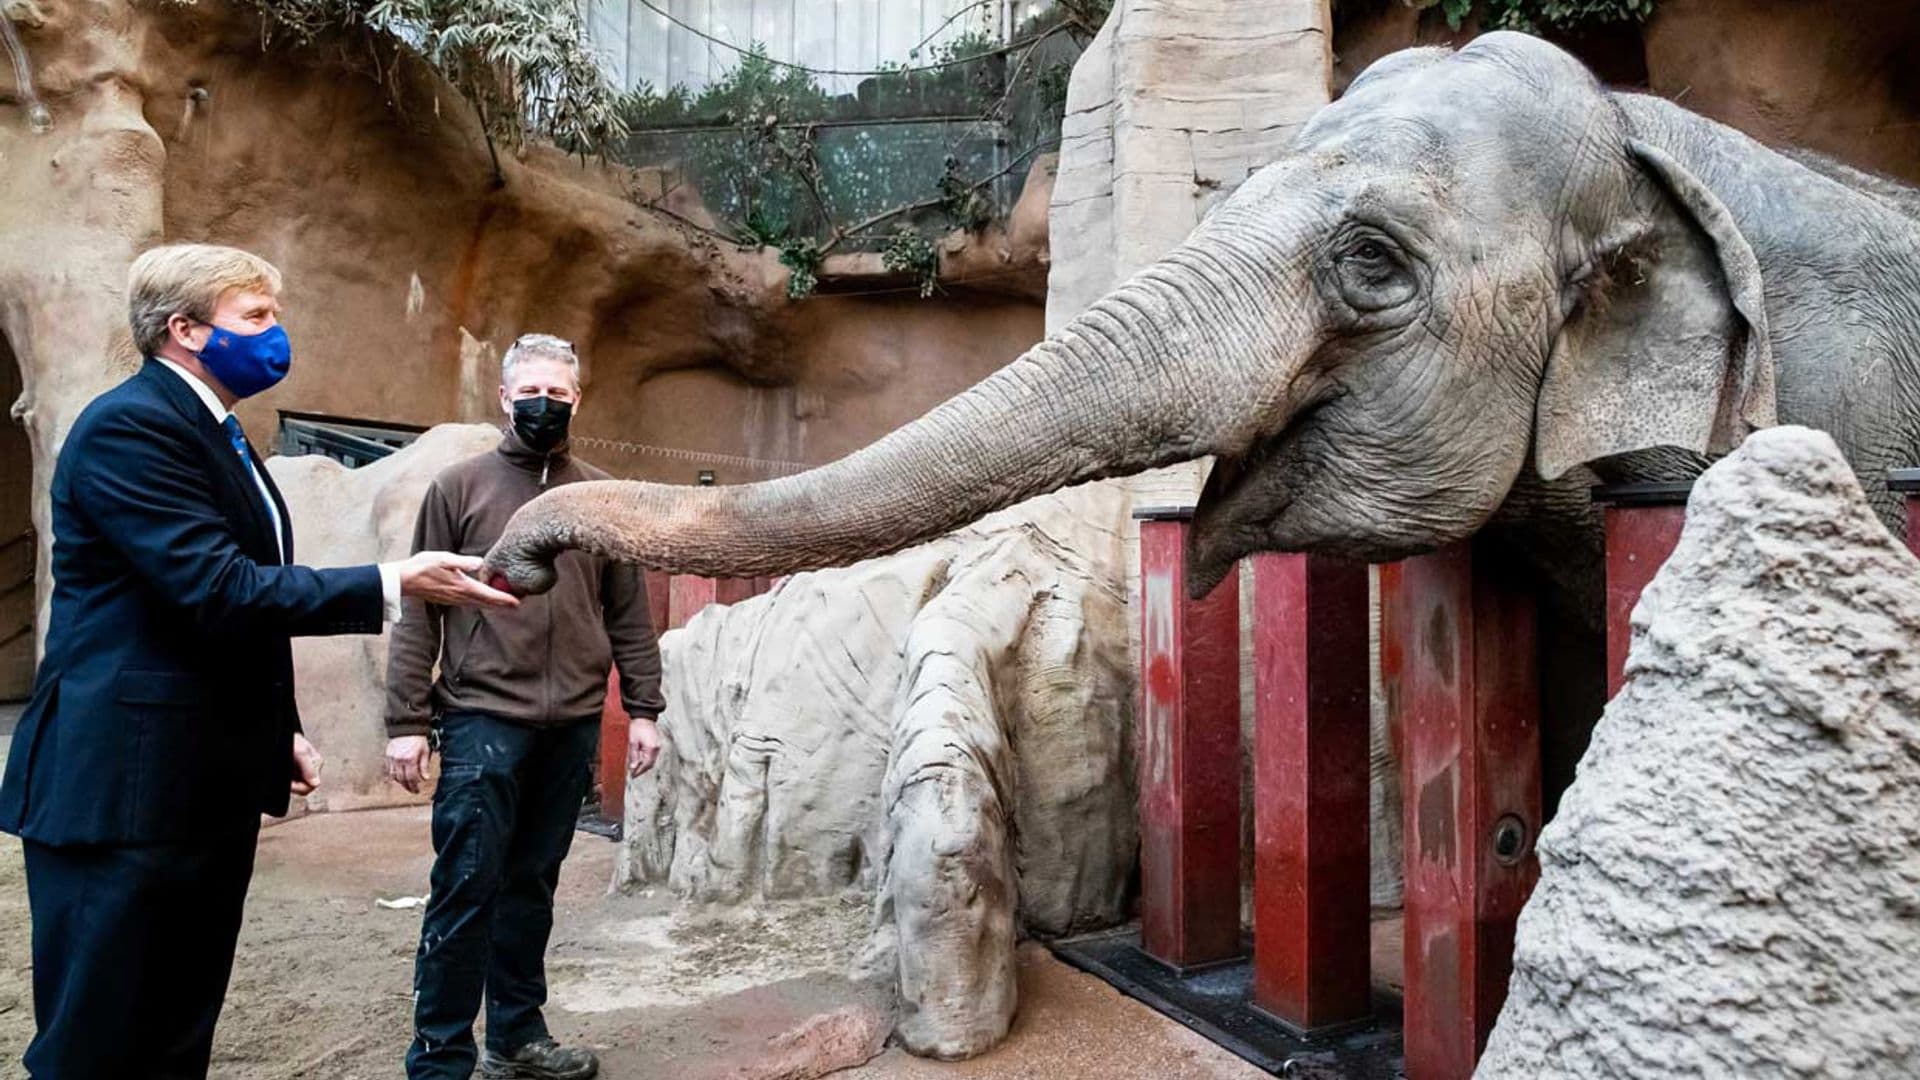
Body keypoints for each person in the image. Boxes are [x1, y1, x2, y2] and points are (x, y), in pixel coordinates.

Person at [0, 243, 519, 1079]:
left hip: (194, 783)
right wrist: (394, 579)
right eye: (256, 317)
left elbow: (217, 621)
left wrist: (276, 728)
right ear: (185, 330)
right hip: (121, 791)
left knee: (174, 1030)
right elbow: (219, 588)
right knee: (99, 1041)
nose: (276, 334)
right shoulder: (133, 427)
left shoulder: (217, 433)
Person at [384, 333, 666, 1080]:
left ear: (578, 399)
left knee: (531, 885)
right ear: (505, 398)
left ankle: (516, 1036)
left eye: (560, 393)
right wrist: (408, 722)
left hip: (569, 722)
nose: (545, 404)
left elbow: (628, 613)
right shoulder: (459, 488)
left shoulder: (600, 498)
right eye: (531, 392)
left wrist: (644, 708)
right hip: (483, 717)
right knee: (466, 885)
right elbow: (420, 613)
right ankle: (440, 1056)